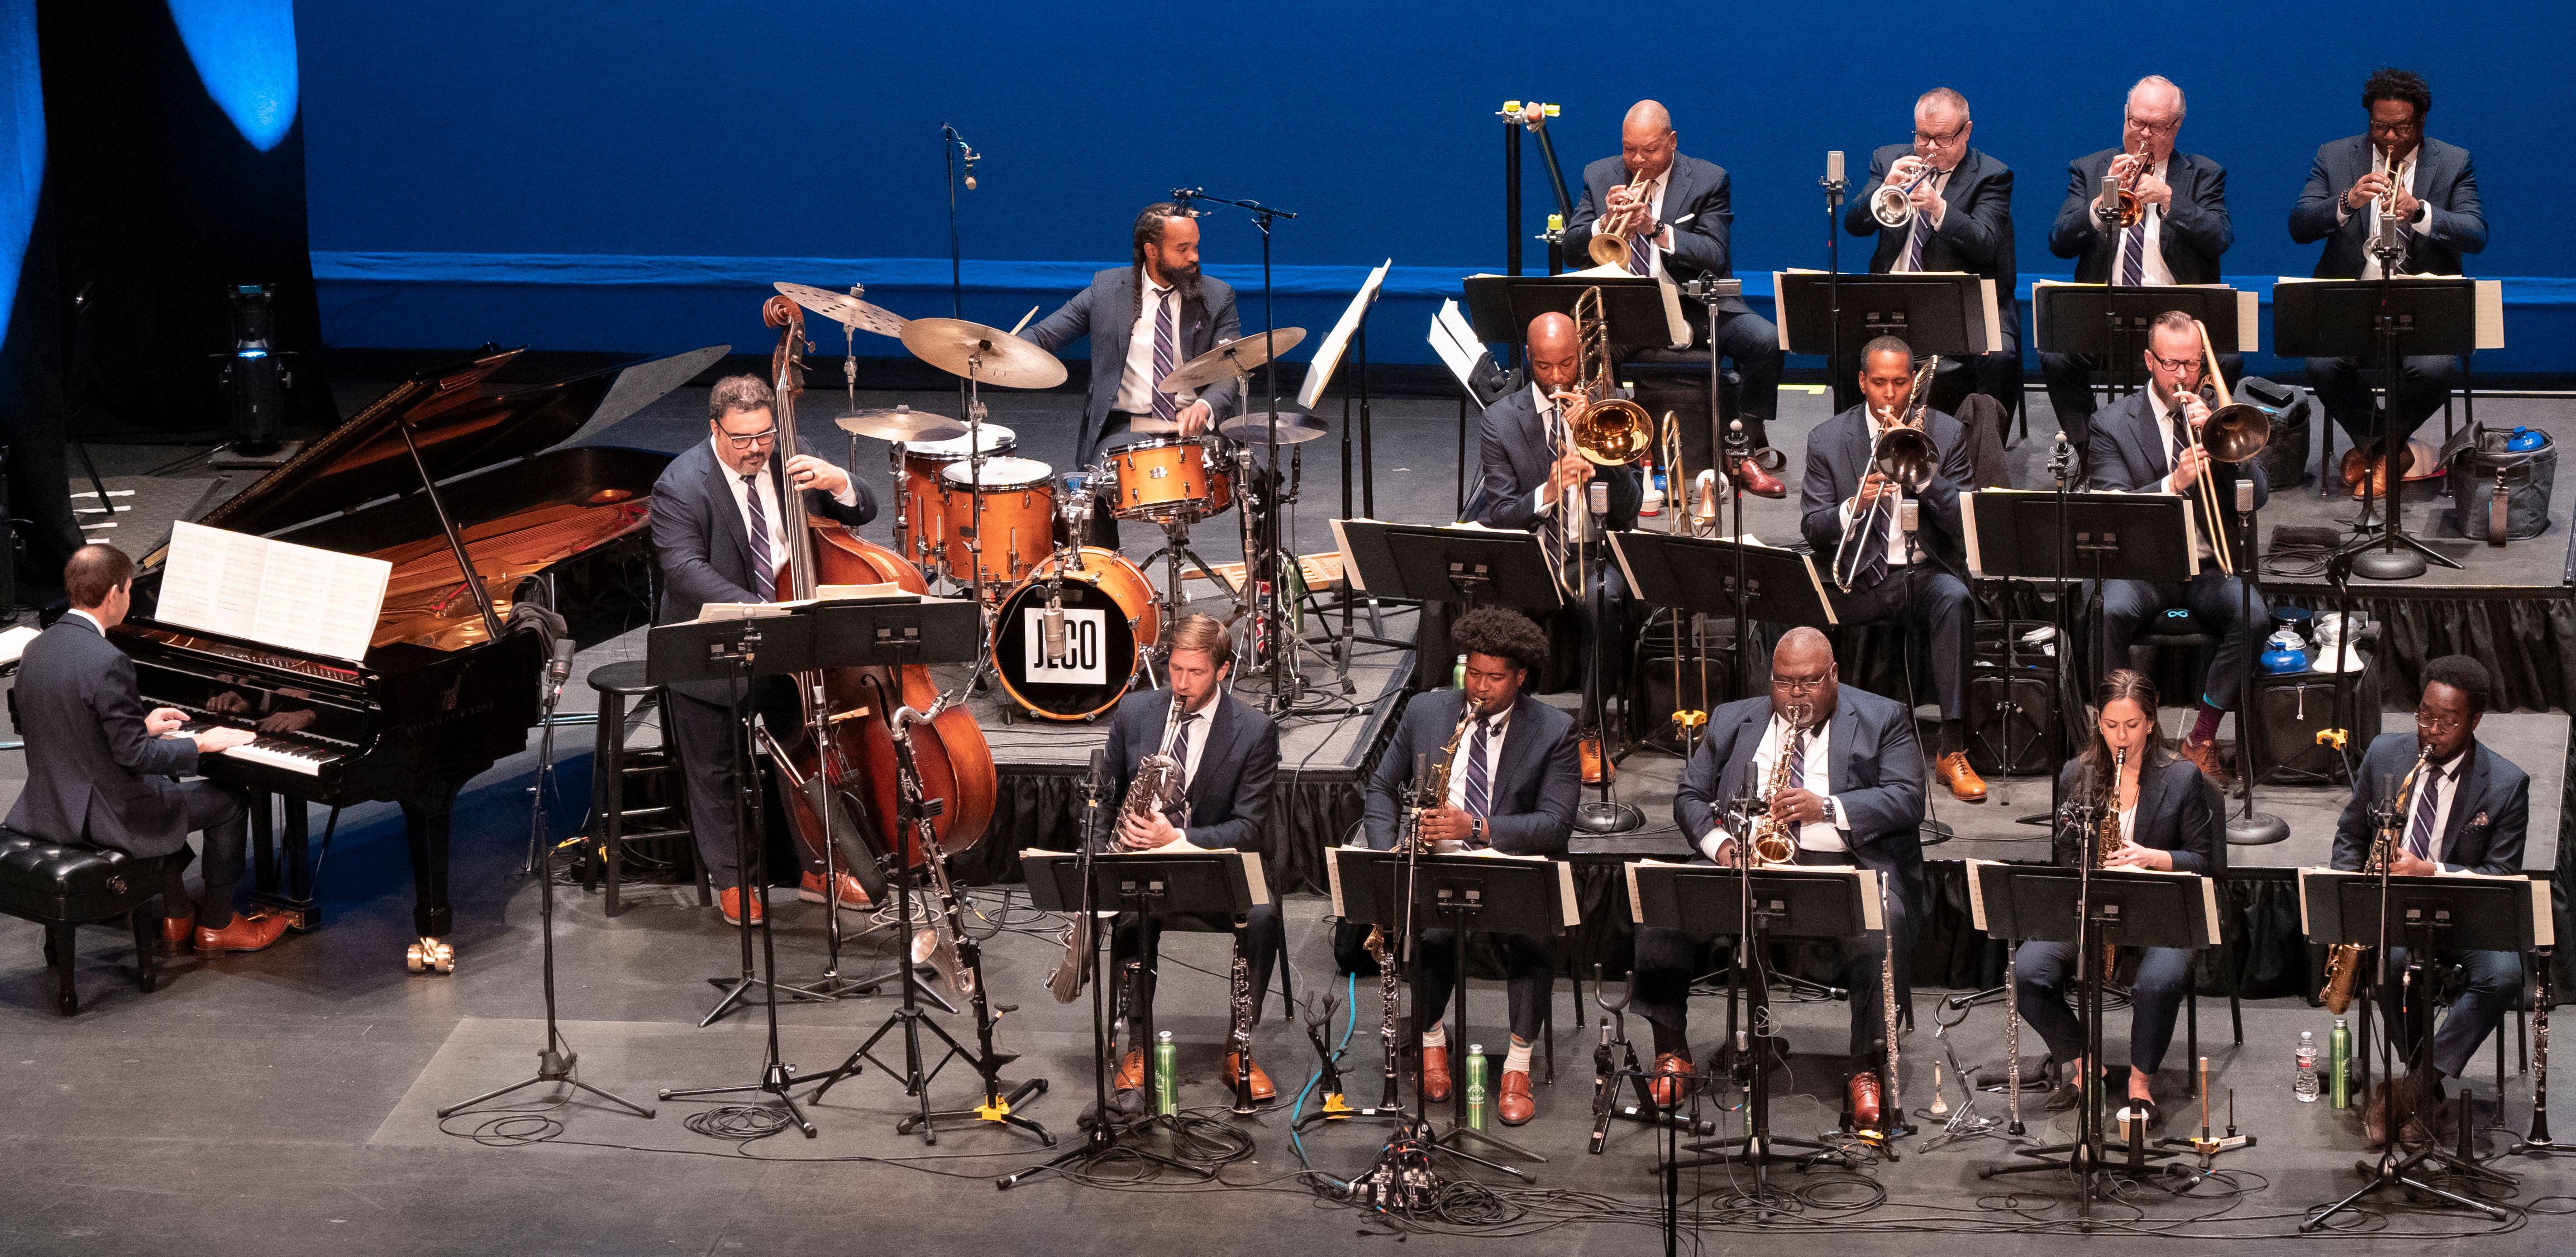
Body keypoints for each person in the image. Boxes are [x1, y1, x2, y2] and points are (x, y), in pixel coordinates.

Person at [1630, 628, 1926, 1125]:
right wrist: (1721, 846)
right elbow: (1689, 797)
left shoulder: (1884, 717)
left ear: (1833, 675)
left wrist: (1826, 806)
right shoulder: (1732, 718)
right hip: (1748, 862)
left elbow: (1907, 797)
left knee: (1884, 923)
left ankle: (1866, 1067)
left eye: (1808, 682)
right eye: (1785, 682)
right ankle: (1673, 1054)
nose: (1795, 695)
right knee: (1661, 907)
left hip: (1841, 864)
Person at [649, 373, 876, 926]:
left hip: (789, 645)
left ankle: (818, 868)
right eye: (742, 439)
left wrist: (840, 481)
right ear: (715, 430)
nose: (756, 449)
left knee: (805, 754)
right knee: (716, 769)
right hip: (712, 642)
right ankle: (734, 880)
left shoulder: (792, 455)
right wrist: (764, 610)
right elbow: (684, 571)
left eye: (764, 435)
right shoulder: (680, 484)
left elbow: (862, 510)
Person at [4, 544, 282, 953]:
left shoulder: (39, 647)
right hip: (105, 815)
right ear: (114, 593)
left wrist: (141, 726)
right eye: (131, 590)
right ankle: (219, 924)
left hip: (51, 804)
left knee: (163, 788)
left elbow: (68, 724)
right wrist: (200, 742)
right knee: (230, 800)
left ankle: (178, 913)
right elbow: (137, 757)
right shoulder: (107, 660)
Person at [1361, 607, 1576, 1126]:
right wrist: (1389, 854)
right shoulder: (1426, 711)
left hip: (1511, 862)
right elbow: (1381, 787)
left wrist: (1475, 826)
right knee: (1432, 934)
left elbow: (1554, 825)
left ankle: (1518, 1066)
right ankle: (1431, 1040)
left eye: (1494, 677)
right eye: (1473, 673)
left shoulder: (1555, 730)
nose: (1480, 687)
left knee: (1533, 939)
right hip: (1438, 859)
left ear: (1520, 677)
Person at [2331, 655, 2528, 1148]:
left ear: (2474, 720)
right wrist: (2349, 895)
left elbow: (2501, 874)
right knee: (2390, 963)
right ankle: (2429, 1091)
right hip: (2396, 906)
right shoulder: (2385, 754)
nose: (2431, 731)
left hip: (2467, 912)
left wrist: (2433, 870)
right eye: (2424, 715)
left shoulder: (2506, 784)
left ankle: (2412, 1089)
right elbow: (2351, 834)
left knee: (2504, 975)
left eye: (2447, 721)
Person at [1091, 614, 1286, 1102]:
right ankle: (1138, 1044)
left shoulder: (1255, 730)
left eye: (1195, 672)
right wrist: (1102, 860)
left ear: (1222, 670)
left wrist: (1176, 836)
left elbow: (1248, 826)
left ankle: (1239, 1047)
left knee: (1262, 915)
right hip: (1144, 860)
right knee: (1132, 912)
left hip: (1213, 860)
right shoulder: (1135, 711)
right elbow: (1106, 798)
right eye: (1175, 669)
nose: (1181, 683)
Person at [2012, 670, 2215, 1124]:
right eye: (2111, 725)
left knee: (2158, 980)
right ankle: (2087, 1066)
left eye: (2132, 725)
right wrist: (2089, 866)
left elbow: (2204, 861)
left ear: (2151, 722)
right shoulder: (2077, 774)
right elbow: (2065, 854)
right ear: (2098, 723)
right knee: (2026, 970)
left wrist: (2152, 857)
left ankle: (2140, 1085)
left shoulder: (2182, 777)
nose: (2121, 737)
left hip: (2160, 910)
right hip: (2092, 907)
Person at [1559, 99, 1785, 498]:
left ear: (1673, 141)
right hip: (1630, 309)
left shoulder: (1709, 179)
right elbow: (1571, 250)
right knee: (1588, 348)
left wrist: (1656, 229)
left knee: (1766, 341)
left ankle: (1743, 449)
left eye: (1650, 150)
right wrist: (1603, 222)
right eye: (1629, 149)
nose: (1638, 160)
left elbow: (1715, 255)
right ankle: (1619, 449)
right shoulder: (1599, 175)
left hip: (1695, 305)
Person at [2085, 310, 2268, 785]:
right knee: (2107, 609)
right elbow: (2112, 507)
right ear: (2150, 361)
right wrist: (2173, 483)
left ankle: (2201, 738)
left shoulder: (2221, 416)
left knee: (2253, 616)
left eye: (2192, 364)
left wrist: (2227, 450)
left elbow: (2259, 495)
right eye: (2171, 364)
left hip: (2208, 568)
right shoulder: (2111, 423)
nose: (2183, 376)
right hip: (2143, 568)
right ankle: (2121, 741)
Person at [1801, 336, 1986, 801]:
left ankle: (1952, 748)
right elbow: (1813, 526)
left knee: (1955, 600)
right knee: (1796, 606)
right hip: (1859, 576)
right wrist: (1853, 506)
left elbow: (1965, 521)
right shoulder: (1827, 438)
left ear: (1913, 383)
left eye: (1900, 383)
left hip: (1923, 571)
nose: (1889, 394)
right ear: (1862, 382)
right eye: (1879, 382)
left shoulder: (1944, 433)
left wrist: (1921, 474)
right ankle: (1816, 744)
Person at [2288, 68, 2488, 499]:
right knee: (2321, 363)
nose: (2391, 138)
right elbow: (2299, 225)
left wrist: (2420, 212)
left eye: (2402, 127)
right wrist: (2347, 202)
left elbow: (2475, 233)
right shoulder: (2334, 156)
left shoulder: (2453, 162)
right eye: (2380, 127)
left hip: (2421, 307)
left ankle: (2377, 451)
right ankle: (2389, 450)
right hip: (2352, 303)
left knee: (2435, 368)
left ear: (2421, 121)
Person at [1023, 202, 1242, 548]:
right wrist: (995, 349)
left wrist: (1206, 406)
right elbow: (1045, 336)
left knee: (1262, 475)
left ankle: (1263, 576)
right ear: (1152, 251)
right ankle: (1107, 579)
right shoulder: (1107, 290)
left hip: (1199, 428)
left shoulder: (1217, 295)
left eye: (1196, 246)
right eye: (1183, 249)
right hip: (1128, 427)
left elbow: (1231, 368)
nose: (1194, 257)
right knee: (1090, 492)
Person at [2043, 76, 2234, 453]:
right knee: (2056, 356)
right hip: (2105, 315)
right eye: (2136, 122)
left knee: (2227, 357)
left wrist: (2170, 200)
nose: (2143, 135)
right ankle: (2092, 452)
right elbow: (2059, 242)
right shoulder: (2089, 168)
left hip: (2177, 320)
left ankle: (2191, 448)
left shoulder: (2204, 174)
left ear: (2176, 127)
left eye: (2156, 127)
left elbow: (2220, 238)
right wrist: (2102, 202)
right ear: (2125, 116)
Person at [1460, 310, 1640, 694]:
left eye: (1566, 364)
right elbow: (1501, 515)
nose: (1557, 376)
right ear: (1529, 356)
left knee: (1604, 598)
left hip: (1594, 553)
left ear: (1580, 355)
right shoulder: (1500, 420)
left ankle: (1594, 719)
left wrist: (1597, 446)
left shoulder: (1612, 406)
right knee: (1490, 607)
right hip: (1534, 554)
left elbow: (1630, 509)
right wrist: (1548, 491)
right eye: (1544, 366)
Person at [1842, 88, 2022, 424]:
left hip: (1957, 300)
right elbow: (1854, 225)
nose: (1930, 148)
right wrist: (1883, 190)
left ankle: (1984, 448)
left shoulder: (1992, 175)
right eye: (1923, 136)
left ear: (1966, 132)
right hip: (1892, 296)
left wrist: (1940, 209)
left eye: (1943, 139)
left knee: (2001, 357)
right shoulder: (1888, 159)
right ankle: (1854, 440)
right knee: (1842, 345)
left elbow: (1985, 244)